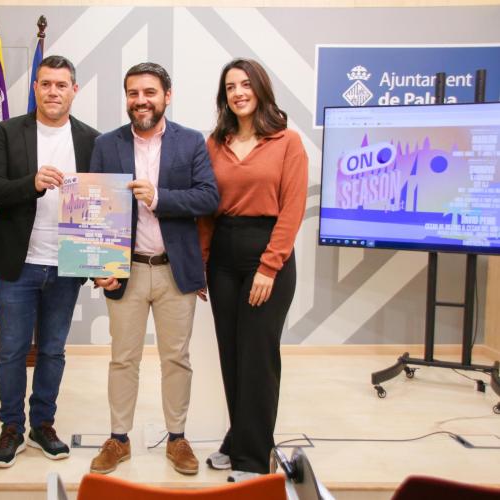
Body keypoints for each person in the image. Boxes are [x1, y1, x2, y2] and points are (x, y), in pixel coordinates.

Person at [88, 62, 219, 476]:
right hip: (123, 269)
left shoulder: (191, 141)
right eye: (133, 93)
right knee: (122, 359)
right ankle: (119, 439)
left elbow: (208, 198)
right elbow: (93, 206)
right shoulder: (106, 144)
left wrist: (159, 198)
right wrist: (98, 267)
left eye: (149, 92)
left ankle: (177, 438)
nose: (141, 100)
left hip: (173, 271)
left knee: (176, 358)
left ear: (167, 95)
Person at [0, 55, 99, 468]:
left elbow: (103, 205)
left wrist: (101, 265)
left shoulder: (91, 139)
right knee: (12, 351)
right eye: (45, 84)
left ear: (74, 90)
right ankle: (11, 427)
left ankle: (42, 424)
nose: (53, 91)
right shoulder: (7, 132)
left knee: (53, 351)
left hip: (67, 265)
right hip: (19, 263)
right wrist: (30, 183)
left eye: (61, 85)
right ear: (35, 88)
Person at [198, 58, 308, 482]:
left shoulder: (287, 141)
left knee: (257, 356)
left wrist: (269, 266)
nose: (238, 93)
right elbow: (207, 210)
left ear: (260, 89)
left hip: (267, 254)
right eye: (230, 87)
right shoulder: (215, 142)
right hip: (223, 256)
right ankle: (239, 439)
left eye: (245, 84)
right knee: (232, 355)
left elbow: (292, 210)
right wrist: (202, 262)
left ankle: (252, 460)